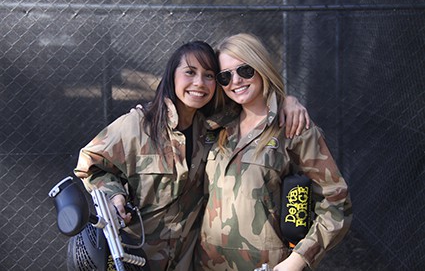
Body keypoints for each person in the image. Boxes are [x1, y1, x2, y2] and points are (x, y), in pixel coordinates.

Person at [73, 40, 310, 271]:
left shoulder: (214, 126)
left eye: (209, 75)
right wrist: (115, 195)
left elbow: (255, 101)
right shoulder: (137, 126)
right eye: (190, 72)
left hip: (187, 260)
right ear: (172, 76)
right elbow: (90, 164)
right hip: (138, 258)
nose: (199, 83)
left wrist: (287, 101)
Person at [195, 33, 352, 271]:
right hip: (208, 265)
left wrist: (297, 260)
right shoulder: (213, 126)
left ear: (260, 67)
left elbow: (336, 203)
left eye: (244, 70)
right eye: (225, 76)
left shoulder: (293, 129)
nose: (235, 81)